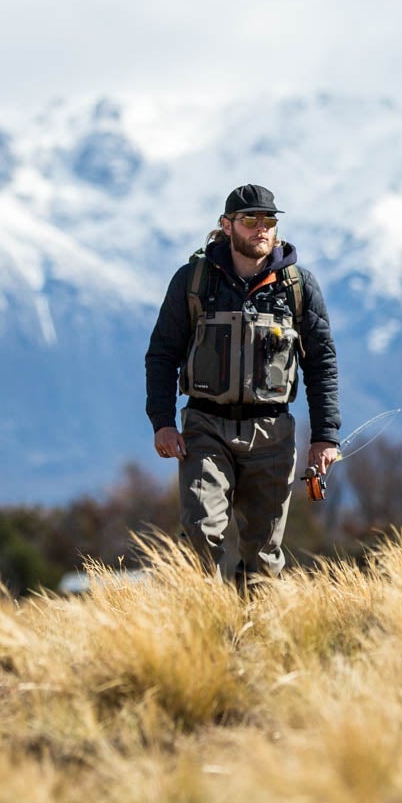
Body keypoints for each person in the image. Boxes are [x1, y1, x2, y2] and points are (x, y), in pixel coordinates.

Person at [144, 184, 341, 586]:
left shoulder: (297, 286)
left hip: (273, 433)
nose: (261, 229)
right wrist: (162, 422)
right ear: (226, 225)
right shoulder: (193, 282)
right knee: (200, 531)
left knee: (264, 553)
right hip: (205, 427)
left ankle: (257, 640)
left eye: (268, 221)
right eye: (250, 220)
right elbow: (162, 354)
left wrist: (325, 436)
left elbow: (321, 363)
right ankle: (203, 631)